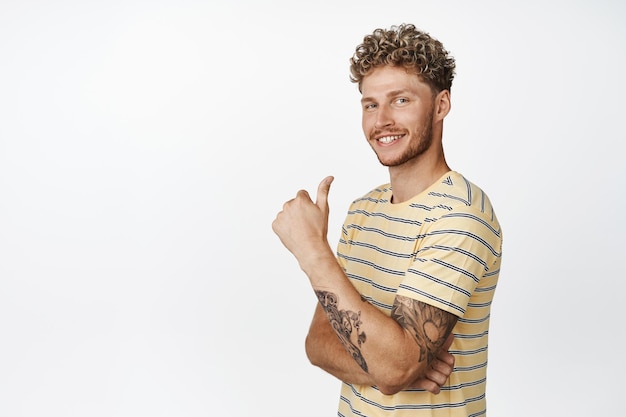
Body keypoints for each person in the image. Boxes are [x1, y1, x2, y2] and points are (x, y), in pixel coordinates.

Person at [272, 23, 503, 416]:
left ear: (441, 105)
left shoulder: (461, 215)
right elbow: (319, 343)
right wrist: (390, 369)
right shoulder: (364, 210)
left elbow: (392, 367)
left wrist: (313, 252)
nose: (382, 121)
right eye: (370, 104)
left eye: (400, 100)